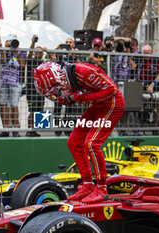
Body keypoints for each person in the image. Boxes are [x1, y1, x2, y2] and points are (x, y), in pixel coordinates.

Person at [33, 62, 124, 203]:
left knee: (92, 144)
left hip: (112, 104)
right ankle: (87, 185)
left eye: (56, 90)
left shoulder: (84, 73)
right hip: (96, 106)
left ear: (59, 80)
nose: (57, 93)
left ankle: (101, 188)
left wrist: (85, 99)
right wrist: (68, 99)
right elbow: (73, 98)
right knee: (74, 142)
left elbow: (111, 90)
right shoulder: (69, 78)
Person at [0, 34, 25, 137]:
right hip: (4, 80)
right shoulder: (5, 50)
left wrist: (16, 54)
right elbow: (3, 61)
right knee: (3, 104)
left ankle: (15, 129)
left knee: (14, 105)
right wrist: (4, 48)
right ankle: (5, 129)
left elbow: (23, 64)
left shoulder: (22, 51)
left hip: (16, 82)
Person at [135, 44, 159, 130]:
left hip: (156, 86)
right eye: (144, 53)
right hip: (143, 86)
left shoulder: (157, 60)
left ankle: (154, 127)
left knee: (157, 108)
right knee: (141, 107)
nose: (145, 56)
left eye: (147, 53)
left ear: (151, 52)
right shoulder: (141, 60)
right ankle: (141, 127)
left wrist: (152, 84)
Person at [25, 35, 46, 137]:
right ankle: (29, 129)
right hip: (31, 90)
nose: (38, 54)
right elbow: (29, 54)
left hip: (41, 91)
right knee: (32, 110)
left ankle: (34, 130)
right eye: (36, 52)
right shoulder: (31, 61)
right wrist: (33, 42)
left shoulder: (44, 62)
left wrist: (48, 51)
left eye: (40, 52)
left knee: (39, 110)